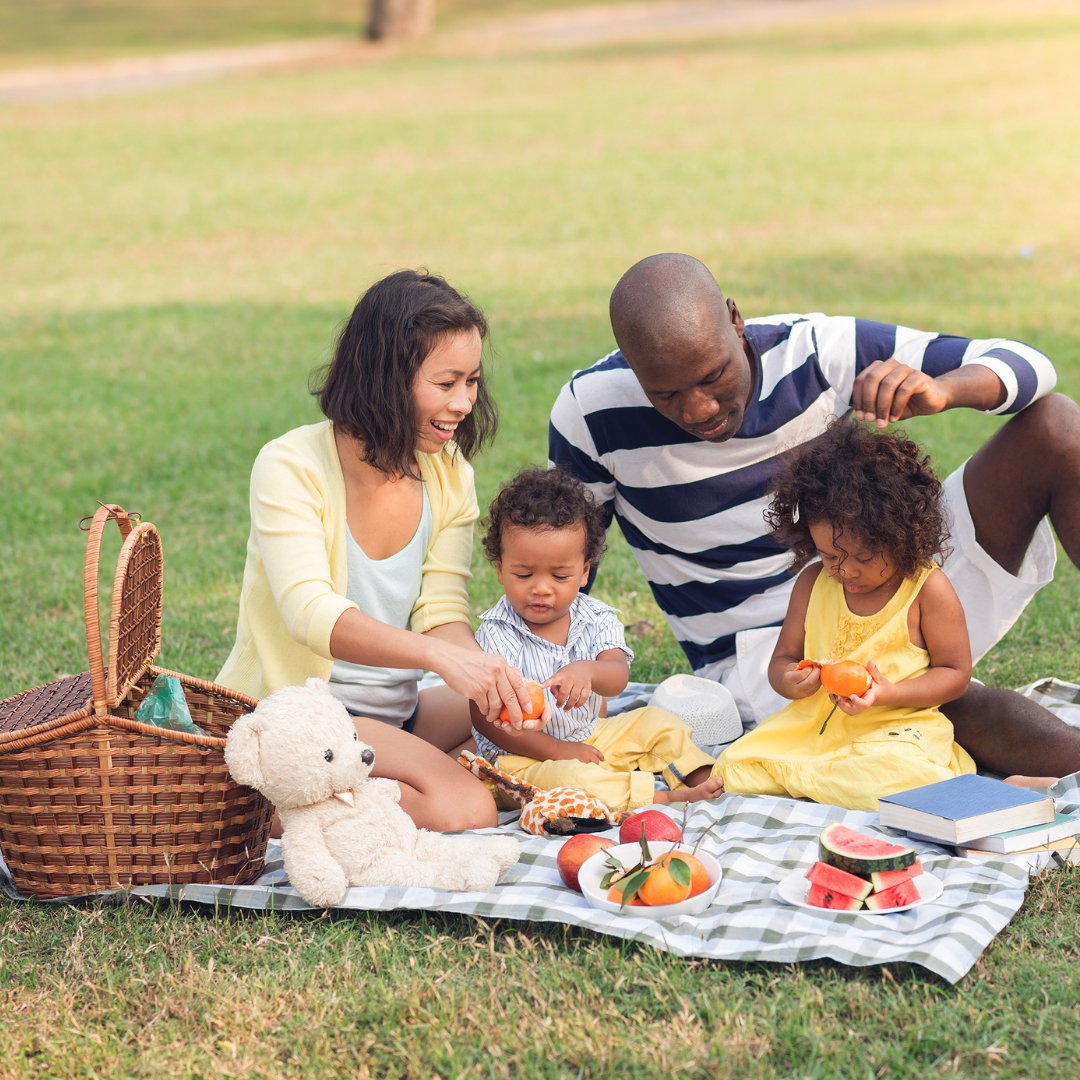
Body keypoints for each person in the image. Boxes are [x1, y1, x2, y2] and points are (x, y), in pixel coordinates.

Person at [549, 252, 1080, 779]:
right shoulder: (591, 411)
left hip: (897, 579)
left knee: (1056, 426)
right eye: (664, 392)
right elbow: (564, 569)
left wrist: (945, 389)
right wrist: (567, 696)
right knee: (939, 713)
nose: (698, 409)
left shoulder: (816, 351)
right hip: (777, 659)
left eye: (713, 376)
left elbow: (1031, 365)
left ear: (736, 321)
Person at [217, 269, 539, 831]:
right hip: (306, 718)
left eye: (473, 381)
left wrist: (482, 668)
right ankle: (268, 803)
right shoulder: (290, 466)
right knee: (468, 807)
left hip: (393, 713)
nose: (464, 402)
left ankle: (339, 793)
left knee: (514, 725)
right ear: (385, 378)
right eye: (446, 383)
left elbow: (440, 609)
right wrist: (437, 658)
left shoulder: (448, 474)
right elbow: (309, 613)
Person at [713, 420, 979, 811]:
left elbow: (956, 674)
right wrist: (791, 681)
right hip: (813, 730)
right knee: (731, 768)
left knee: (899, 775)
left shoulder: (926, 589)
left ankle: (816, 783)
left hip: (893, 731)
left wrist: (888, 693)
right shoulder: (812, 583)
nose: (845, 571)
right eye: (831, 555)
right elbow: (782, 660)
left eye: (864, 558)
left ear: (902, 537)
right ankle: (822, 780)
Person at [470, 466, 722, 811]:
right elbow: (484, 718)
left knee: (657, 722)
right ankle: (658, 797)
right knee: (575, 782)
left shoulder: (595, 617)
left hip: (593, 736)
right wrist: (560, 752)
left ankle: (700, 775)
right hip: (525, 760)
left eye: (560, 575)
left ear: (585, 570)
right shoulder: (497, 633)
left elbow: (617, 677)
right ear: (500, 569)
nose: (541, 588)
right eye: (524, 574)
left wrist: (588, 670)